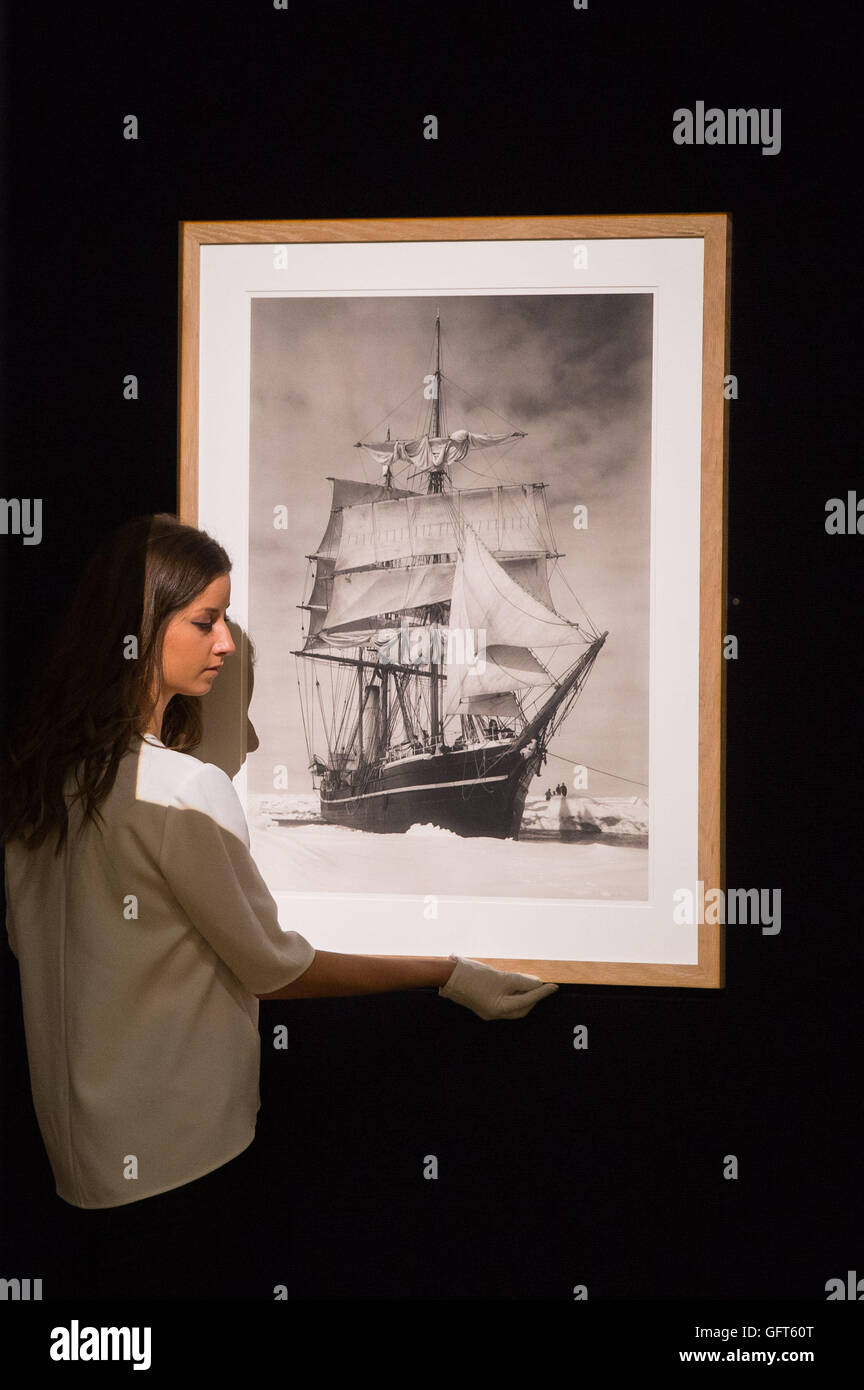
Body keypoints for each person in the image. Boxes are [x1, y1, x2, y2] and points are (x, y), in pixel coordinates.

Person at [0, 513, 556, 1289]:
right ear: (137, 628)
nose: (224, 643)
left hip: (77, 1159)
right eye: (204, 621)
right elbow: (275, 969)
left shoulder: (38, 780)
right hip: (180, 1160)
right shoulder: (187, 791)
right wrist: (448, 972)